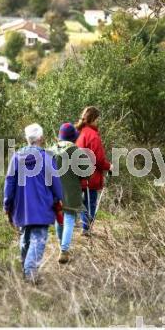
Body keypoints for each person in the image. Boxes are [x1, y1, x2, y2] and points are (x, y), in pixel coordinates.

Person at [3, 123, 63, 283]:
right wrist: (60, 197)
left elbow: (9, 182)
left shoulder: (16, 157)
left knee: (25, 237)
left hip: (21, 206)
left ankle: (25, 268)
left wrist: (7, 204)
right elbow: (55, 181)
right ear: (41, 138)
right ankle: (30, 272)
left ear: (27, 139)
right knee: (38, 239)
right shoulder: (46, 157)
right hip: (42, 205)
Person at [49, 123, 87, 264]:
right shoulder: (75, 151)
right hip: (71, 192)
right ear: (73, 138)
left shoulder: (50, 150)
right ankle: (64, 250)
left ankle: (61, 246)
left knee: (59, 219)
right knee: (69, 219)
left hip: (54, 193)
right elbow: (87, 172)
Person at [75, 106, 112, 236]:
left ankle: (83, 227)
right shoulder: (92, 135)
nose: (98, 121)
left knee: (83, 202)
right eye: (97, 119)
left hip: (78, 173)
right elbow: (98, 159)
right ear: (94, 118)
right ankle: (86, 229)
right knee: (90, 202)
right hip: (91, 175)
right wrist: (109, 167)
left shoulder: (80, 132)